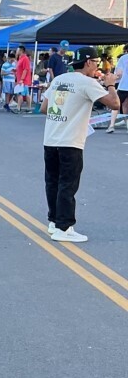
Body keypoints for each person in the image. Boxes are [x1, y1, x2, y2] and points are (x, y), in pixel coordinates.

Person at [41, 47, 120, 242]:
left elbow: (44, 108)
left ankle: (54, 221)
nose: (97, 67)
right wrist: (110, 85)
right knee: (68, 184)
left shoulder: (59, 79)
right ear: (88, 63)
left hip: (51, 138)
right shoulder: (87, 83)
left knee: (53, 182)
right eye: (96, 63)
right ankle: (64, 227)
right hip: (70, 141)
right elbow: (115, 104)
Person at [105, 47, 128, 133]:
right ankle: (127, 125)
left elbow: (119, 73)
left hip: (124, 86)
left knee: (116, 105)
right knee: (125, 106)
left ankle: (111, 125)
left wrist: (113, 78)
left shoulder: (123, 58)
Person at [12, 47, 32, 114]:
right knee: (25, 94)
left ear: (21, 51)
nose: (16, 51)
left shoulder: (25, 58)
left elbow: (25, 69)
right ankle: (28, 108)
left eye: (17, 50)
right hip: (20, 79)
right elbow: (21, 69)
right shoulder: (21, 58)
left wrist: (22, 79)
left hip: (23, 80)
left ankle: (18, 108)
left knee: (21, 93)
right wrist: (15, 71)